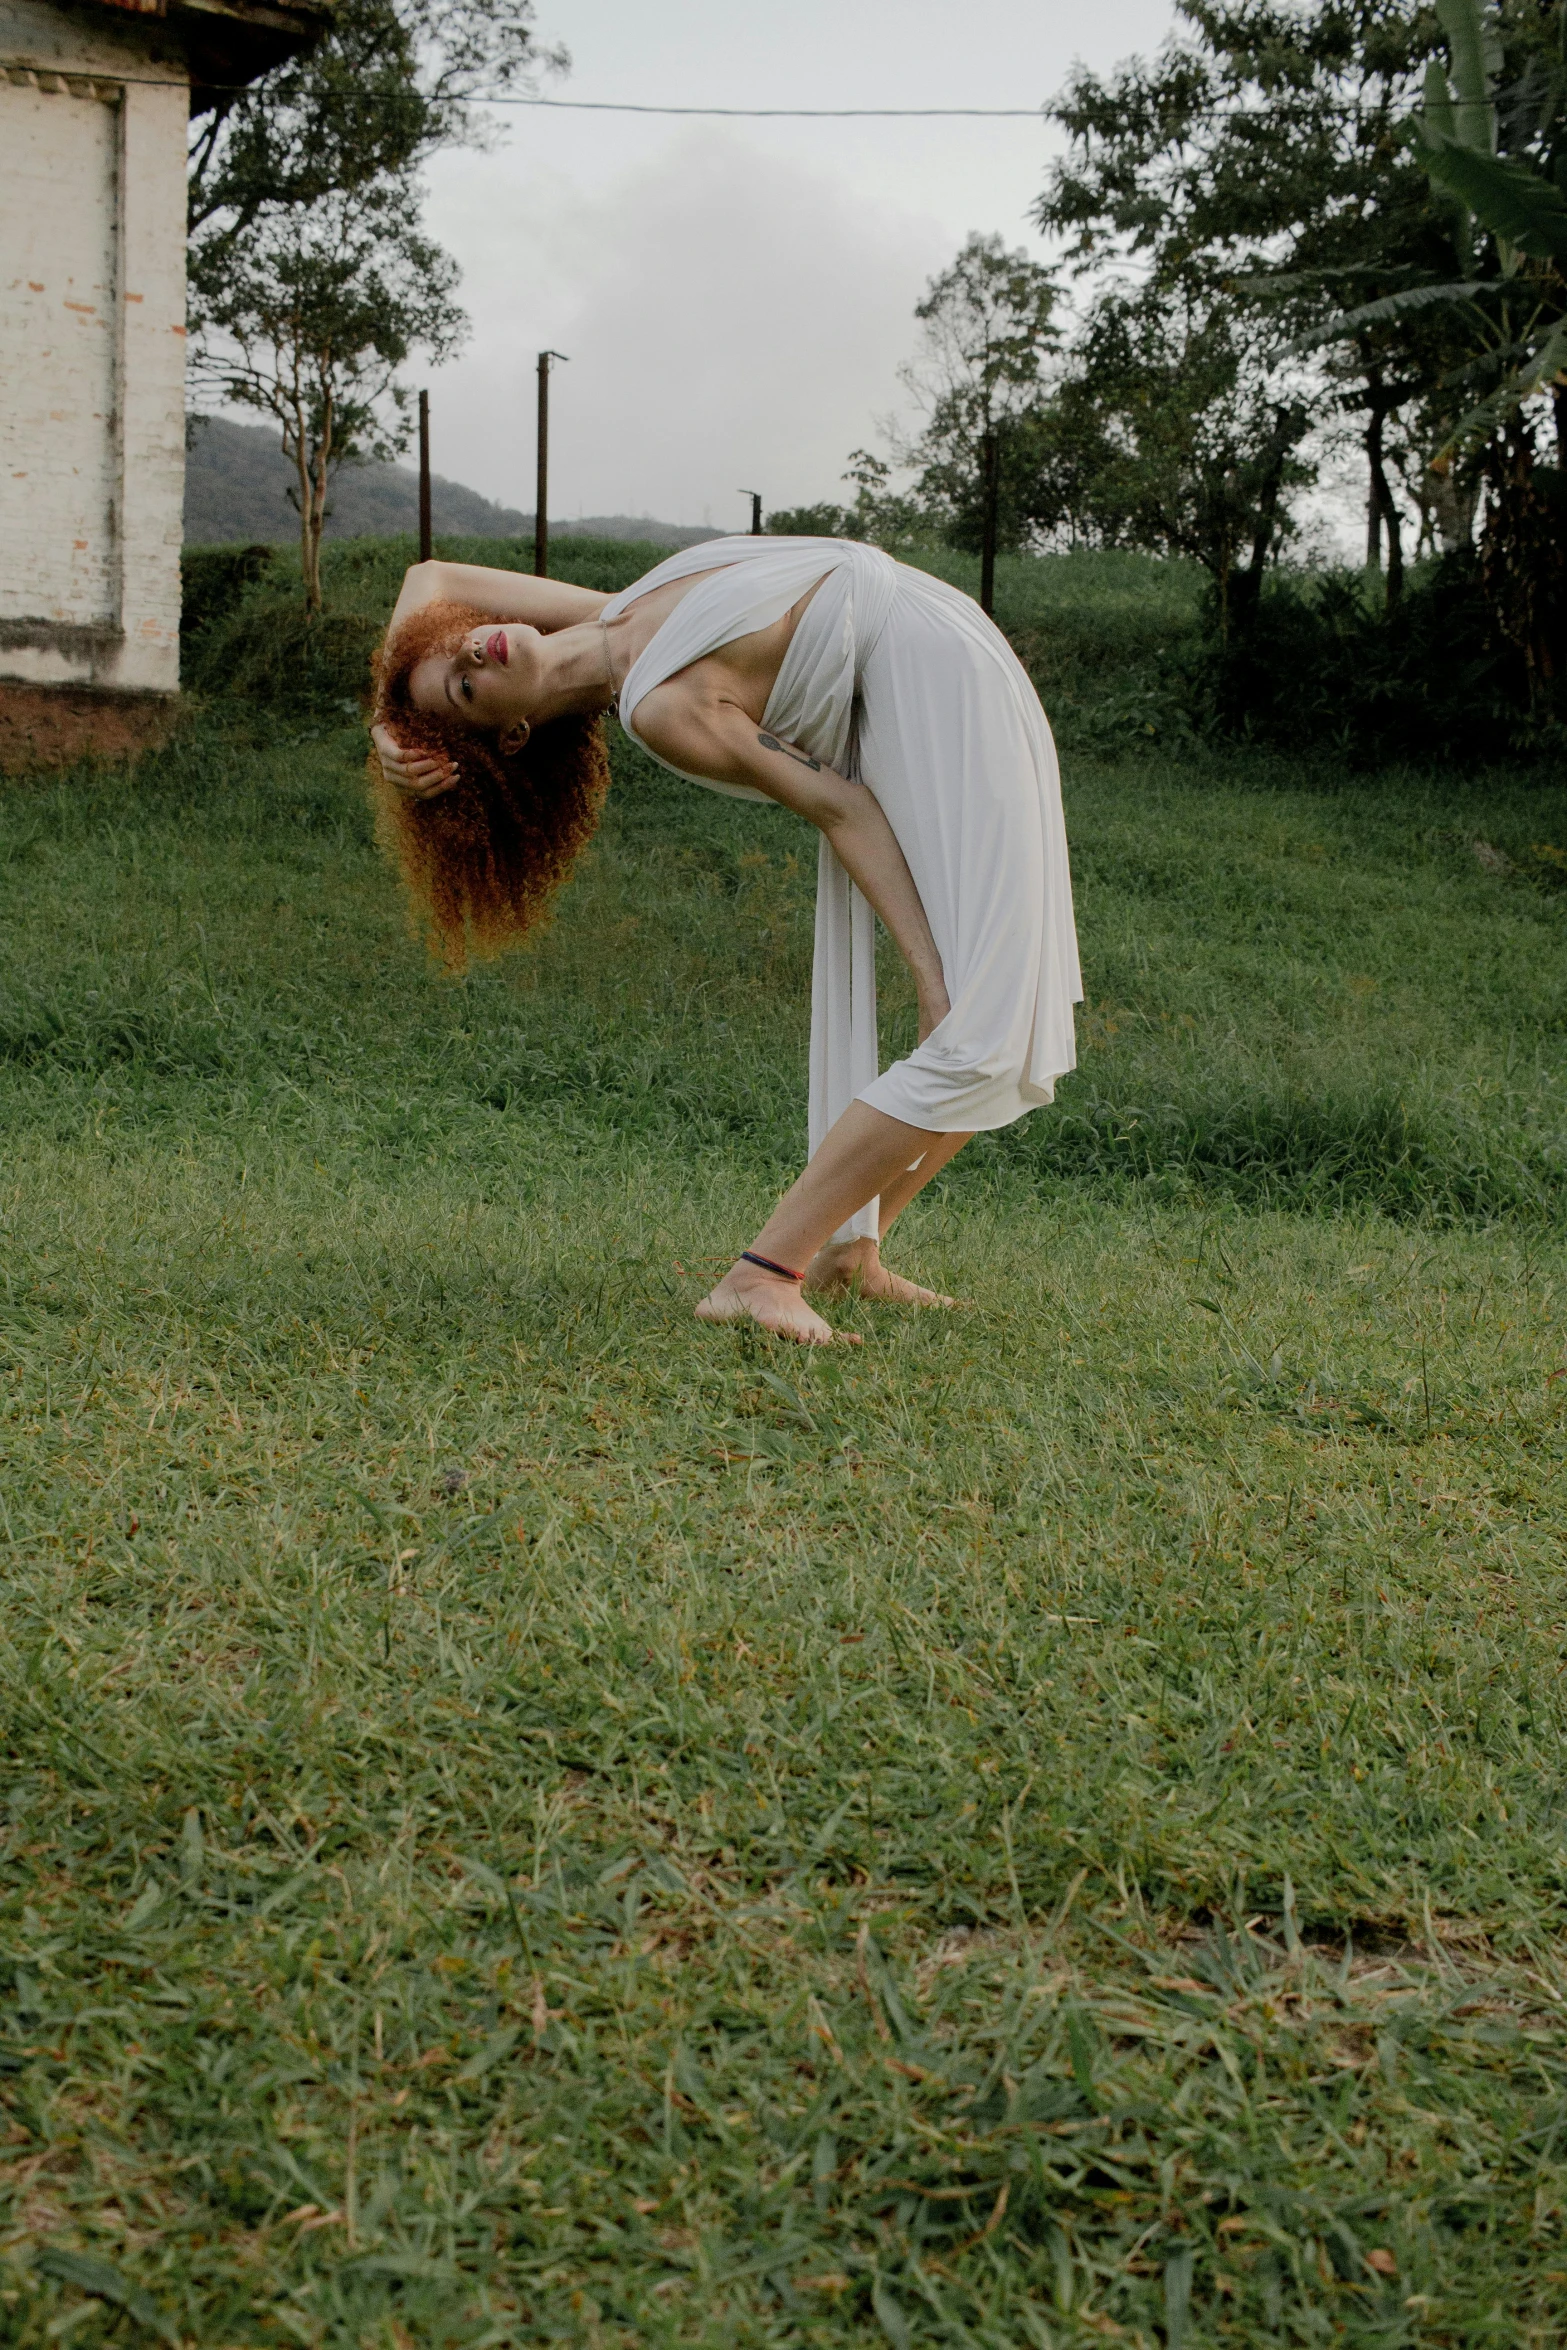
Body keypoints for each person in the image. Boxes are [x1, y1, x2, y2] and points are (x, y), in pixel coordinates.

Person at [369, 536, 1081, 1345]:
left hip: (961, 650)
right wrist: (928, 974)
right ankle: (762, 1276)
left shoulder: (617, 610)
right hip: (932, 695)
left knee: (1022, 1011)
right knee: (981, 1028)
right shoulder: (660, 706)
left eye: (453, 647)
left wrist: (385, 719)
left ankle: (850, 1255)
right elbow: (841, 807)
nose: (472, 651)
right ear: (512, 734)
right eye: (464, 690)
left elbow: (432, 578)